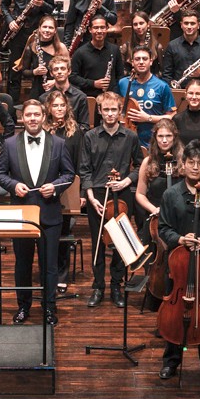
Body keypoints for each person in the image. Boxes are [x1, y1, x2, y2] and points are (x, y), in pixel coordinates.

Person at [0, 99, 75, 326]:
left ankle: (49, 307)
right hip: (21, 215)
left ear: (43, 116)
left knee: (49, 266)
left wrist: (55, 187)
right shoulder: (9, 144)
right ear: (22, 118)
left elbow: (69, 174)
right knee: (22, 264)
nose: (32, 118)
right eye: (28, 114)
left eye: (36, 114)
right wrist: (13, 185)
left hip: (50, 214)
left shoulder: (58, 143)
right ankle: (23, 306)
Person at [155, 141, 200, 384]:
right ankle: (171, 362)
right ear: (183, 164)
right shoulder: (171, 195)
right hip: (177, 267)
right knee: (174, 314)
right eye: (191, 162)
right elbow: (163, 228)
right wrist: (179, 239)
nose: (195, 167)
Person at [78, 93, 142, 309]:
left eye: (114, 110)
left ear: (120, 111)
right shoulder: (90, 136)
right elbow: (84, 169)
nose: (110, 114)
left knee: (120, 243)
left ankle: (116, 285)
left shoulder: (130, 136)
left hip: (122, 195)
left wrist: (126, 181)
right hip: (97, 194)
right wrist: (90, 196)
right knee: (98, 242)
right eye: (106, 110)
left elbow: (140, 165)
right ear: (99, 111)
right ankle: (98, 286)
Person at [117, 46, 174, 146]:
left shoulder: (162, 86)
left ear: (151, 61)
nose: (141, 62)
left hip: (152, 142)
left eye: (145, 59)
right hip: (127, 140)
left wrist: (148, 118)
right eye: (137, 59)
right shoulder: (123, 83)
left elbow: (171, 116)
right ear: (132, 62)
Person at [159, 12, 200, 89]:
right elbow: (166, 74)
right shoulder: (172, 46)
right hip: (179, 90)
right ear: (181, 25)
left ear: (198, 25)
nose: (189, 26)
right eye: (186, 23)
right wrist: (172, 89)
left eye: (192, 23)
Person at [71, 15, 124, 99]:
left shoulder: (114, 50)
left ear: (107, 28)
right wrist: (93, 83)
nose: (99, 31)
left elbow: (120, 75)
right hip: (89, 98)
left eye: (102, 27)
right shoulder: (80, 52)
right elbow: (72, 77)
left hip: (111, 99)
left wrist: (114, 91)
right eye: (96, 28)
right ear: (90, 30)